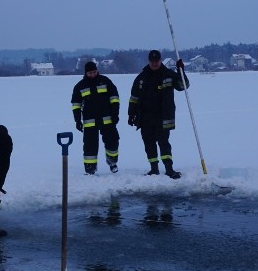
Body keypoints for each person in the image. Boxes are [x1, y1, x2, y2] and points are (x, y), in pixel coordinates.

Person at [127, 50, 190, 179]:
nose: (155, 63)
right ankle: (154, 169)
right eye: (152, 61)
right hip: (145, 117)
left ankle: (169, 169)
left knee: (163, 143)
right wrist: (131, 114)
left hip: (164, 116)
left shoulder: (168, 74)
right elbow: (134, 97)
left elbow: (184, 85)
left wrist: (181, 71)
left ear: (160, 60)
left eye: (157, 61)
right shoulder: (141, 78)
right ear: (149, 61)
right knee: (149, 143)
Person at [71, 61, 121, 174]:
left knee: (112, 141)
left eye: (94, 72)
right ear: (86, 73)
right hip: (90, 121)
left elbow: (114, 98)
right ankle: (90, 169)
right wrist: (77, 120)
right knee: (90, 146)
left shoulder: (106, 81)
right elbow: (76, 105)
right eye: (90, 73)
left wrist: (115, 114)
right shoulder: (80, 86)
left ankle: (112, 162)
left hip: (107, 119)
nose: (93, 75)